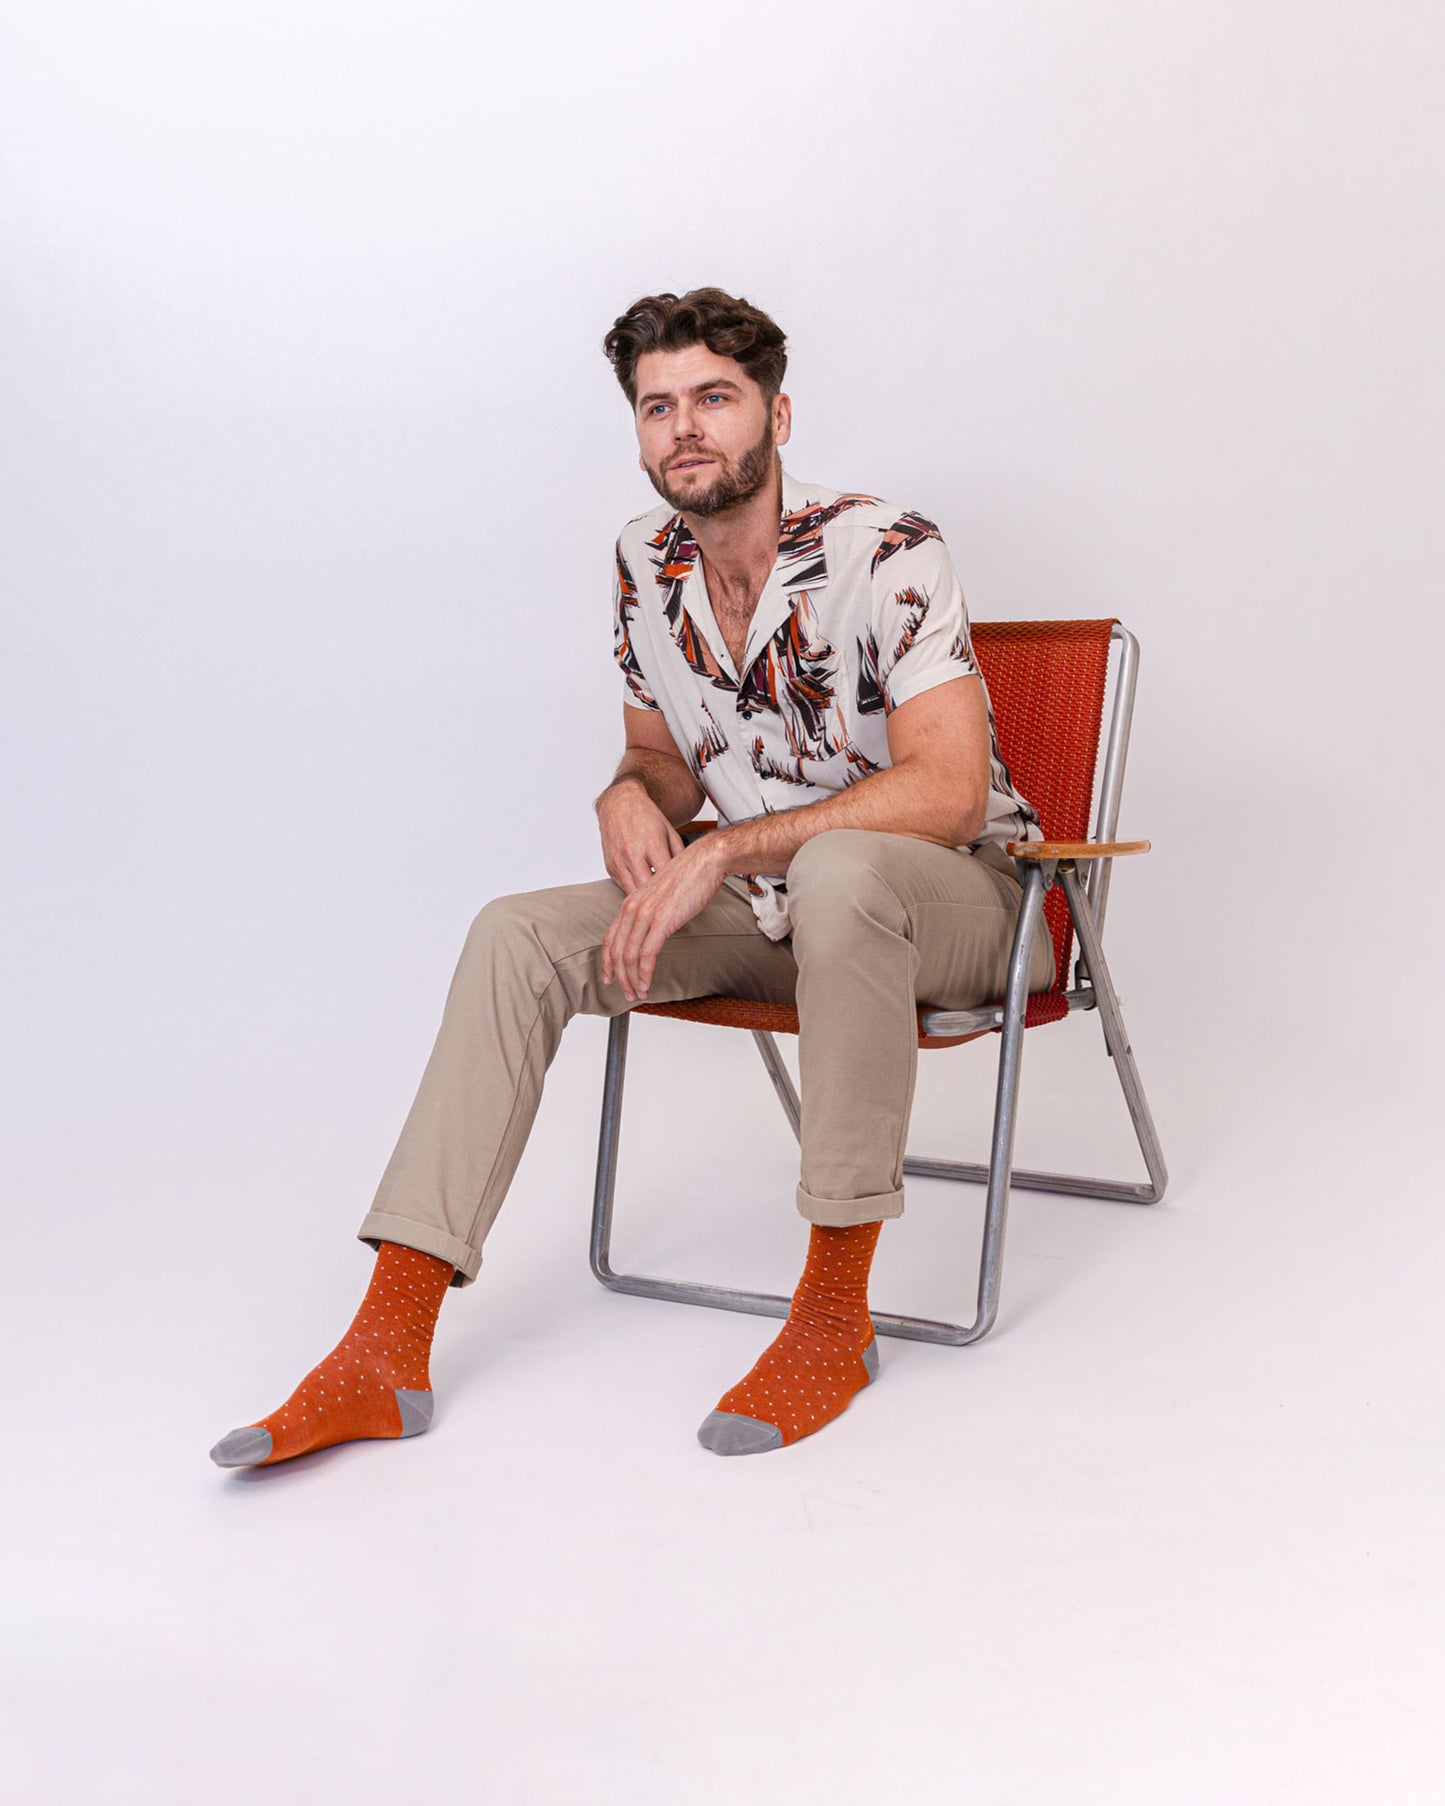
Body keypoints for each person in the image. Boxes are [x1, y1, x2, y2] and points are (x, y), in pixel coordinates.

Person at [210, 286, 1052, 1469]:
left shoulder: (886, 548)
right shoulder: (641, 561)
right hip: (786, 910)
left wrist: (726, 845)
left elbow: (950, 791)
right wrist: (625, 792)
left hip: (969, 903)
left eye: (713, 398)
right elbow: (660, 759)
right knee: (515, 933)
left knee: (842, 868)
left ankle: (831, 1317)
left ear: (776, 416)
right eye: (658, 407)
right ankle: (385, 1346)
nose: (684, 428)